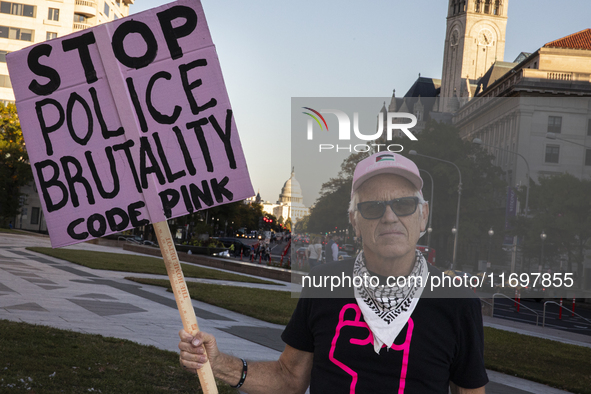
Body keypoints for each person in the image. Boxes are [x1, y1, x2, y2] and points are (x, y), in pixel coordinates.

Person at [179, 152, 487, 393]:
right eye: (373, 208)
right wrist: (219, 364)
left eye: (404, 205)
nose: (390, 217)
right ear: (354, 220)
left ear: (423, 215)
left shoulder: (457, 301)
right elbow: (289, 379)